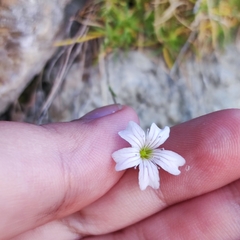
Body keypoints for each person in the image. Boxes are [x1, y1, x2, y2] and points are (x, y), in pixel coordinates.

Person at [1, 104, 240, 239]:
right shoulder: (139, 147)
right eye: (146, 153)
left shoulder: (149, 151)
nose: (147, 154)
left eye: (148, 153)